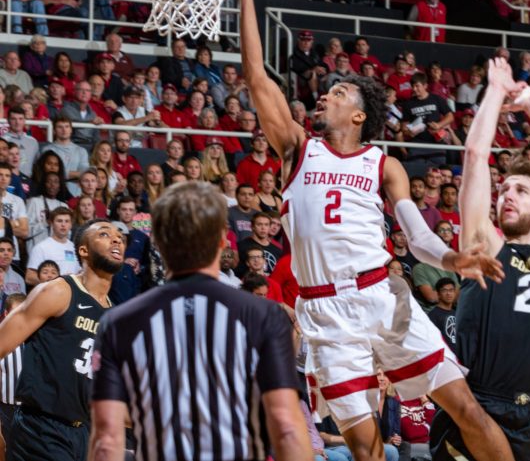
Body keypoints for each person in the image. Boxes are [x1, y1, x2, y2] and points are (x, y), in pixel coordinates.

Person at [233, 0, 514, 461]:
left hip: (384, 296)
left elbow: (418, 236)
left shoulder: (384, 165)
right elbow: (257, 79)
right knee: (366, 448)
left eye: (337, 92)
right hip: (324, 312)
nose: (324, 96)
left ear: (360, 115)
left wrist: (452, 259)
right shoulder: (297, 149)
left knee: (466, 408)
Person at [430, 56, 530, 460]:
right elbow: (474, 156)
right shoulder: (484, 244)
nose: (507, 195)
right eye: (504, 190)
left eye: (521, 190)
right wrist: (496, 91)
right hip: (480, 403)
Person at [89, 181, 313, 461]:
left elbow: (106, 439)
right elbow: (287, 429)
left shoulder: (119, 322)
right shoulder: (263, 315)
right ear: (223, 238)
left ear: (157, 239)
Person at [0, 218, 125, 461]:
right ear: (84, 251)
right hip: (40, 428)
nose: (116, 238)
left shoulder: (115, 316)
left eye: (118, 235)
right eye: (104, 234)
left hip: (84, 433)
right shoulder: (59, 291)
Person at [25, 206, 77, 286]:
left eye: (67, 221)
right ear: (52, 223)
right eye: (59, 221)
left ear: (71, 225)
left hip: (73, 295)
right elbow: (29, 277)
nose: (63, 224)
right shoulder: (41, 247)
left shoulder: (75, 248)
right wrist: (54, 283)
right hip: (51, 294)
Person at [427, 277, 458, 354]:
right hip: (445, 357)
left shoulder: (458, 313)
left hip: (459, 357)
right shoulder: (433, 315)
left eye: (451, 290)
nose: (448, 293)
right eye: (444, 290)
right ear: (438, 294)